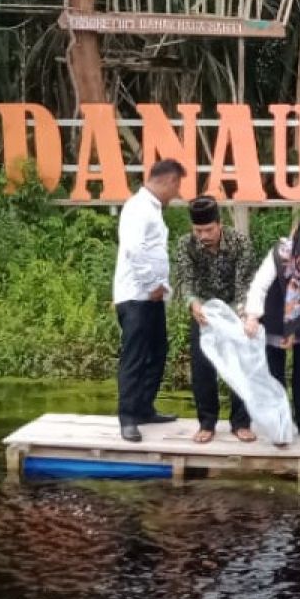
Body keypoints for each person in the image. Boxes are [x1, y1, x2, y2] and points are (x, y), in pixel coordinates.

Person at [243, 217, 300, 442]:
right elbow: (259, 286)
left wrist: (297, 330)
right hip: (277, 310)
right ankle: (278, 423)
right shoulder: (279, 253)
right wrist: (252, 316)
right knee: (274, 372)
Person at [173, 195, 258, 444]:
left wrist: (242, 314)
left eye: (208, 229)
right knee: (202, 368)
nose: (203, 235)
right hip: (203, 314)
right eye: (198, 230)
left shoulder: (240, 242)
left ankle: (241, 422)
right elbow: (185, 281)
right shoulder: (185, 244)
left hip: (234, 311)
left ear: (219, 224)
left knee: (240, 367)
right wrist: (193, 303)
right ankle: (207, 423)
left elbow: (244, 284)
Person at [113, 158, 187, 442]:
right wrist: (151, 284)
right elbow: (133, 250)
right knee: (135, 356)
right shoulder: (138, 208)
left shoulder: (152, 209)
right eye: (177, 185)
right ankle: (128, 418)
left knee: (158, 351)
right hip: (136, 296)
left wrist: (159, 288)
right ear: (168, 180)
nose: (177, 192)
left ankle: (144, 408)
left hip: (151, 297)